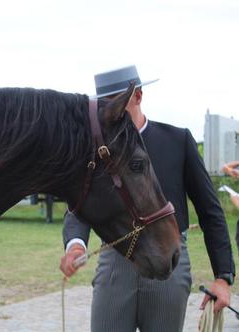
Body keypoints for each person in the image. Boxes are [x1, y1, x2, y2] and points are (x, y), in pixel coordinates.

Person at [60, 65, 235, 332]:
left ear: (138, 97)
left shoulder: (178, 141)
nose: (111, 114)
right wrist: (75, 244)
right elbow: (79, 205)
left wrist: (223, 277)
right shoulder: (96, 149)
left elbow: (211, 213)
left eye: (118, 104)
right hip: (115, 264)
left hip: (169, 262)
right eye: (104, 107)